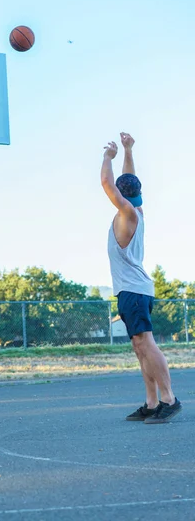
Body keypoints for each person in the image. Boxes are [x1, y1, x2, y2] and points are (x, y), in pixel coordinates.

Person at [101, 132, 182, 424]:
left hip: (134, 291)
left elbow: (109, 184)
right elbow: (126, 182)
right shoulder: (136, 209)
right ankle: (150, 402)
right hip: (132, 291)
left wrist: (107, 156)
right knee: (139, 346)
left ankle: (169, 399)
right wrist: (128, 150)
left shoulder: (127, 213)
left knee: (146, 344)